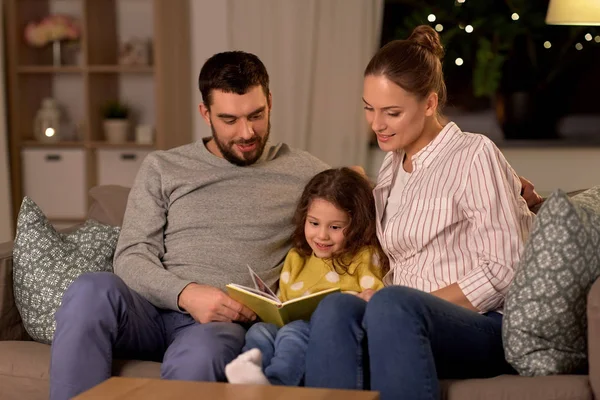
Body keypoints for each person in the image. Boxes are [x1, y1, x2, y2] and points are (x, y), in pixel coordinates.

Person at [48, 51, 329, 400]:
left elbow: (352, 207)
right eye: (229, 120)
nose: (246, 132)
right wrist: (185, 293)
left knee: (202, 355)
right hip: (148, 311)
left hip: (220, 324)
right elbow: (132, 254)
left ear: (270, 102)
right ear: (205, 113)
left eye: (256, 115)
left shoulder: (305, 172)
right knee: (90, 289)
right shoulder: (163, 167)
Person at [304, 25, 537, 400]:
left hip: (484, 325)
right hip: (399, 318)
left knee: (394, 304)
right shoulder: (392, 165)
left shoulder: (473, 154)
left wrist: (408, 300)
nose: (376, 124)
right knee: (335, 310)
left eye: (392, 112)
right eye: (369, 109)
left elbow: (505, 268)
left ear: (429, 104)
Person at [225, 167, 387, 386]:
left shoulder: (365, 256)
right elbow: (283, 302)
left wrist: (360, 298)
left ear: (357, 225)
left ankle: (276, 383)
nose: (322, 235)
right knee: (260, 330)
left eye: (335, 227)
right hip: (288, 327)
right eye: (314, 223)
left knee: (294, 330)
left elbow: (373, 297)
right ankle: (251, 373)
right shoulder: (297, 257)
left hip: (325, 332)